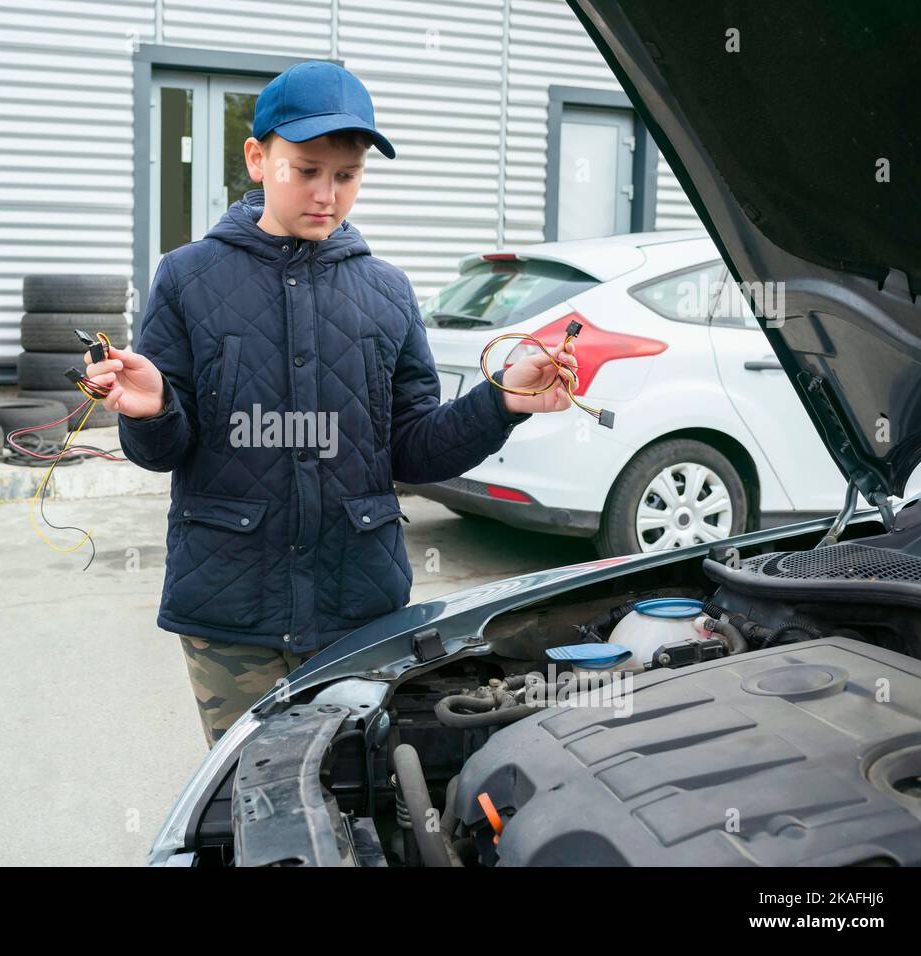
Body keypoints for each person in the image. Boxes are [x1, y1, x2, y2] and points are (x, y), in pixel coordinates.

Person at [86, 60, 576, 748]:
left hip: (358, 610)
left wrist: (503, 402)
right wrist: (155, 408)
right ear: (258, 159)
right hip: (231, 617)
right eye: (306, 169)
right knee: (246, 800)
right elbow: (163, 451)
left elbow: (412, 449)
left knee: (358, 789)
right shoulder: (188, 277)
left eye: (346, 176)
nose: (327, 194)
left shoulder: (387, 291)